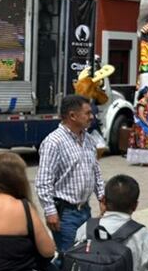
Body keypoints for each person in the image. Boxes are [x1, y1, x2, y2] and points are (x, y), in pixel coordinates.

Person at [37, 95, 107, 255]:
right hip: (65, 214)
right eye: (88, 113)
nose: (92, 117)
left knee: (85, 254)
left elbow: (95, 171)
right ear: (72, 116)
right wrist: (50, 211)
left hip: (85, 210)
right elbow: (43, 182)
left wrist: (102, 197)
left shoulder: (88, 139)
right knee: (68, 256)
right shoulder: (53, 142)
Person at [127, 86, 148, 167]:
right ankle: (146, 161)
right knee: (143, 143)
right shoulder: (141, 103)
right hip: (142, 126)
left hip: (147, 126)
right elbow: (141, 116)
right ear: (144, 94)